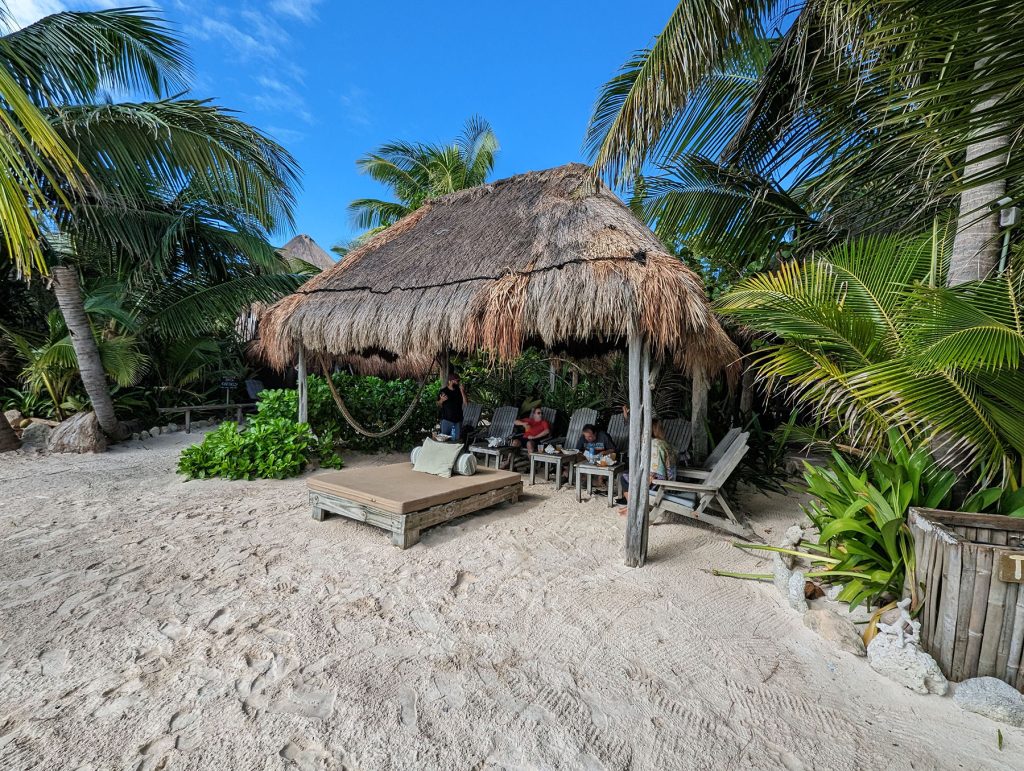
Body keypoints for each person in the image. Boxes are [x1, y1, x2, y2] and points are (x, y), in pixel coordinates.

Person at [616, 419, 677, 513]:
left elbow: (655, 471)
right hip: (671, 480)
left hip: (659, 483)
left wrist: (645, 479)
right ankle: (632, 506)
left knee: (624, 477)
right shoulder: (666, 443)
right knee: (628, 474)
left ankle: (633, 508)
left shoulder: (654, 444)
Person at [437, 372, 467, 440]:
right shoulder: (443, 391)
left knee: (456, 441)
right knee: (444, 440)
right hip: (446, 420)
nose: (458, 382)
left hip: (458, 420)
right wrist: (441, 400)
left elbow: (466, 403)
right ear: (450, 381)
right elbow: (438, 404)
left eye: (459, 380)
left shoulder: (459, 391)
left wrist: (462, 391)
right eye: (457, 380)